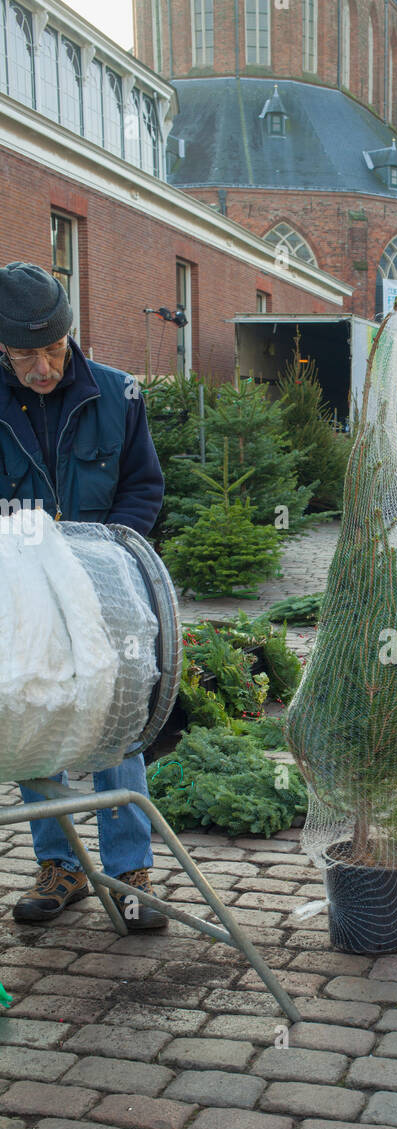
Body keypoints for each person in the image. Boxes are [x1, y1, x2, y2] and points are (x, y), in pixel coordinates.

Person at [0, 261, 168, 928]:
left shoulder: (117, 393)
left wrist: (105, 557)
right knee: (33, 707)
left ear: (70, 335)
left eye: (52, 350)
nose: (42, 366)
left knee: (118, 721)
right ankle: (60, 866)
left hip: (109, 590)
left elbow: (144, 486)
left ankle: (130, 872)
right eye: (24, 355)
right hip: (25, 591)